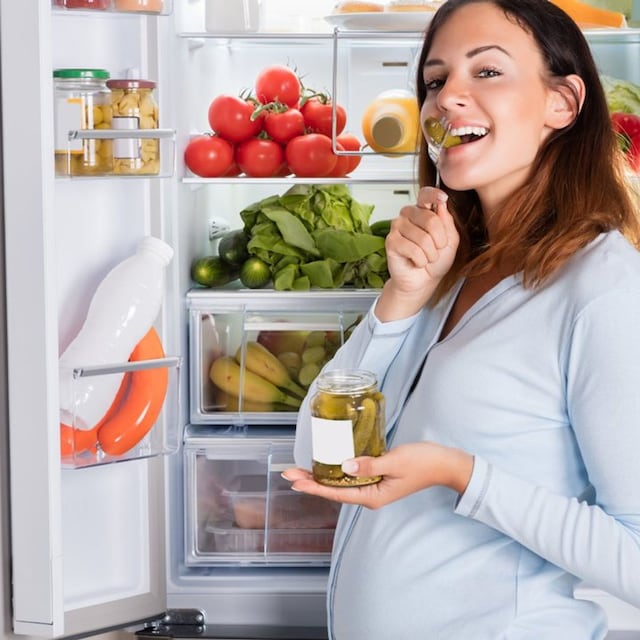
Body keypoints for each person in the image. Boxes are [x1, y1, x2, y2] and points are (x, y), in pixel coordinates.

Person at [282, 1, 640, 638]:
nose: (448, 98)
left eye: (488, 72)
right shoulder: (450, 270)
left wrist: (460, 474)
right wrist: (399, 302)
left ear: (562, 102)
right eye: (435, 79)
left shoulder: (603, 288)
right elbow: (318, 454)